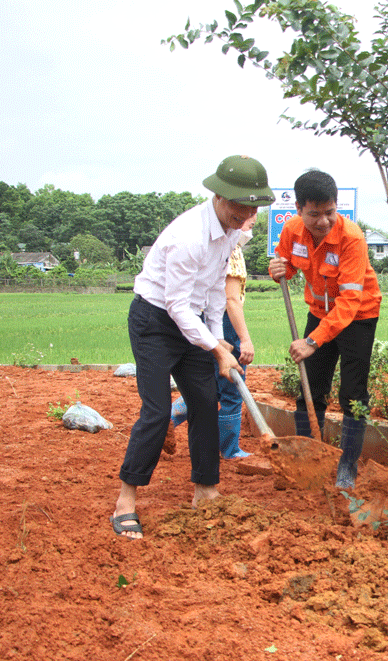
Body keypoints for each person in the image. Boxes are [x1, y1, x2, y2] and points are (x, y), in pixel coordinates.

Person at [111, 155, 275, 540]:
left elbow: (215, 293)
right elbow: (176, 306)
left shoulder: (233, 231)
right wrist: (217, 350)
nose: (246, 214)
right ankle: (126, 500)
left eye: (252, 207)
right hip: (155, 322)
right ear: (217, 195)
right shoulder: (189, 237)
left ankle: (206, 490)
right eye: (239, 205)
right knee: (157, 411)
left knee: (205, 403)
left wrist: (217, 338)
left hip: (195, 321)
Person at [269, 170, 381, 490]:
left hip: (358, 315)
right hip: (319, 312)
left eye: (330, 212)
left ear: (337, 207)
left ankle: (347, 466)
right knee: (310, 388)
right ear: (299, 210)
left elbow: (348, 302)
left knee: (352, 393)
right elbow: (287, 266)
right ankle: (308, 456)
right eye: (314, 214)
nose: (323, 221)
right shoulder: (292, 230)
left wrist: (312, 341)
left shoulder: (351, 238)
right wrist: (279, 269)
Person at [169, 224, 257, 459]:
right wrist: (244, 339)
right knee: (232, 388)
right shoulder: (232, 250)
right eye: (247, 217)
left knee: (211, 386)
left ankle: (169, 418)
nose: (251, 223)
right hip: (224, 324)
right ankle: (230, 449)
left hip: (205, 321)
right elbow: (231, 299)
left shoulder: (214, 245)